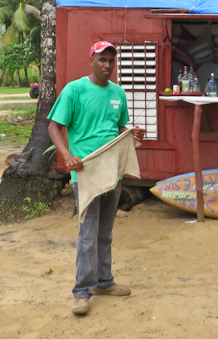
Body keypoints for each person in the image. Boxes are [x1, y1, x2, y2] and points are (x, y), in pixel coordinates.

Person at [48, 40, 145, 316]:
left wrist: (132, 133)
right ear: (91, 60)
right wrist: (67, 155)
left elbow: (119, 126)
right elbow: (55, 127)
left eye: (112, 60)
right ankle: (81, 292)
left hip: (112, 173)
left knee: (105, 232)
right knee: (88, 234)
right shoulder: (75, 90)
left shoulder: (118, 93)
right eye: (102, 60)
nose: (108, 65)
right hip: (87, 173)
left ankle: (104, 282)